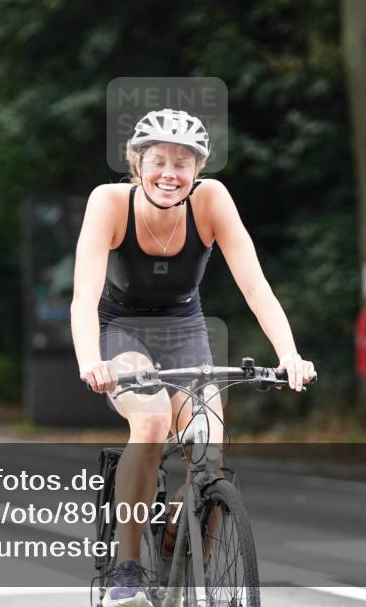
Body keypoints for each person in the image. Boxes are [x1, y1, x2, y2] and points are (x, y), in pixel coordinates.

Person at [71, 108, 317, 607]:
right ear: (136, 166)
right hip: (121, 333)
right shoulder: (109, 203)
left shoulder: (212, 200)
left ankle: (189, 557)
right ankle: (128, 566)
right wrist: (88, 358)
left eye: (182, 163)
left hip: (184, 330)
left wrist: (289, 353)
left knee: (209, 453)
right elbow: (83, 294)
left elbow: (255, 286)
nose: (169, 173)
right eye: (157, 160)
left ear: (198, 171)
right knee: (155, 419)